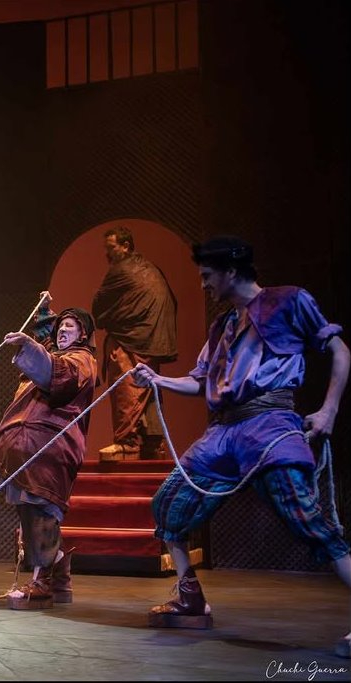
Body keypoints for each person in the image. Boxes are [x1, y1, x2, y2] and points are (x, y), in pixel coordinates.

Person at [131, 236, 350, 658]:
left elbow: (340, 350)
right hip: (224, 432)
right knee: (169, 504)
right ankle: (190, 597)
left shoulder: (289, 301)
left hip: (269, 423)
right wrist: (157, 380)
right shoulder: (222, 326)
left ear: (231, 272)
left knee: (306, 519)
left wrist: (328, 411)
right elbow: (199, 382)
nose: (203, 284)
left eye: (207, 276)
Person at [0, 308, 98, 609]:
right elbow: (46, 345)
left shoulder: (81, 361)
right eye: (60, 326)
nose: (62, 331)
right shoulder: (56, 355)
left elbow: (57, 374)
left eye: (70, 326)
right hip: (26, 445)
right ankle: (60, 575)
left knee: (41, 509)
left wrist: (30, 346)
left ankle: (42, 581)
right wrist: (43, 316)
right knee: (30, 509)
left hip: (49, 447)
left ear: (83, 334)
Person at [92, 226, 178, 460]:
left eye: (110, 248)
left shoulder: (121, 270)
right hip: (152, 340)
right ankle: (153, 442)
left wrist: (111, 319)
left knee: (126, 387)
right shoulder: (151, 268)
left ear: (125, 246)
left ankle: (126, 442)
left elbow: (100, 303)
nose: (106, 254)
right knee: (149, 386)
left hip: (130, 338)